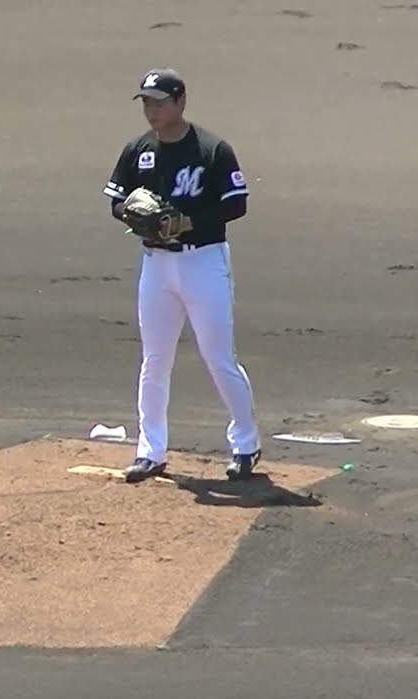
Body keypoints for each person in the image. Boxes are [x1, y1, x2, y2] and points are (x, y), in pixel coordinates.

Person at [101, 68, 263, 483]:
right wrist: (134, 215)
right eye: (146, 102)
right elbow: (116, 200)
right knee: (155, 360)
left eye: (159, 102)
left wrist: (186, 221)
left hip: (203, 262)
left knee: (218, 358)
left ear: (181, 102)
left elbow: (236, 204)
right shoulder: (138, 150)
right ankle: (150, 451)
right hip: (156, 265)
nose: (151, 110)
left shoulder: (212, 150)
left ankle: (246, 444)